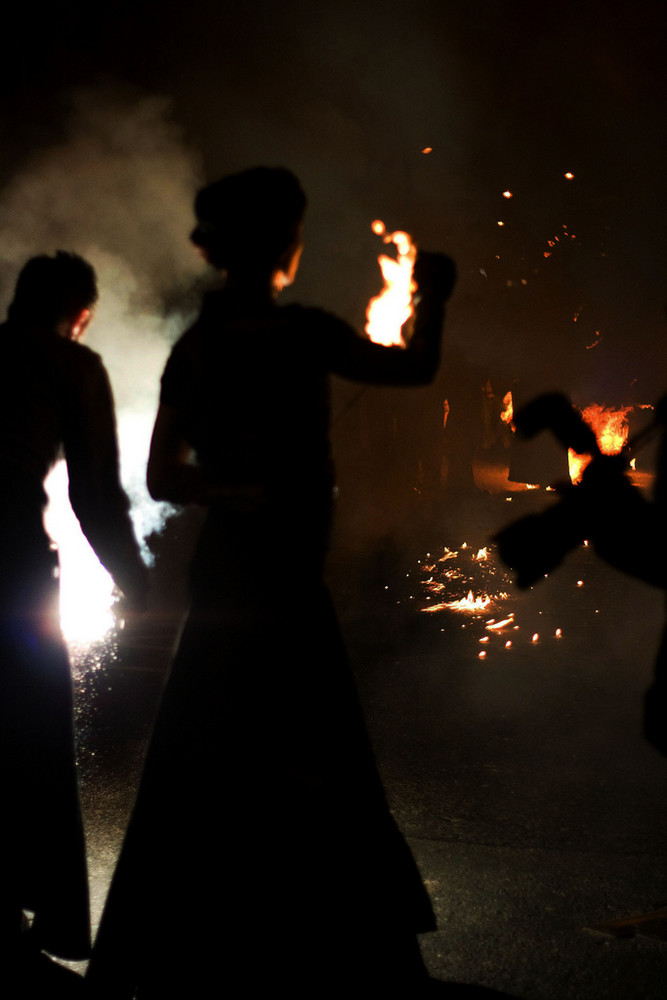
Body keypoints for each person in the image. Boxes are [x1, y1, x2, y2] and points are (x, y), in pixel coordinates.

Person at [86, 167, 457, 998]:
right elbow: (416, 368)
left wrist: (224, 489)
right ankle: (321, 955)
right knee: (298, 747)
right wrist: (433, 292)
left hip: (257, 569)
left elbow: (162, 475)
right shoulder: (280, 338)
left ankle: (218, 948)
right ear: (279, 249)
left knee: (217, 748)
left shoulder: (213, 346)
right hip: (261, 577)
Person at [0, 252, 147, 990]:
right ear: (80, 312)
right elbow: (94, 493)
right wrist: (141, 582)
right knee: (29, 729)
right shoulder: (71, 364)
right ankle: (38, 908)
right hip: (12, 562)